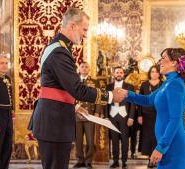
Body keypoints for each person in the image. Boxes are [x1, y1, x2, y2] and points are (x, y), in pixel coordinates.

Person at [32, 8, 125, 169]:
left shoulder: (59, 47)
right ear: (72, 25)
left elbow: (58, 87)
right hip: (54, 122)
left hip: (55, 118)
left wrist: (74, 106)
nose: (85, 34)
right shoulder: (59, 51)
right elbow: (77, 89)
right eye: (84, 29)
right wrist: (110, 96)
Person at [118, 48, 185, 169]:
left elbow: (175, 119)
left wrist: (161, 148)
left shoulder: (175, 84)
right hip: (166, 143)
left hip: (173, 144)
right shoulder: (168, 82)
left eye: (163, 58)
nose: (159, 62)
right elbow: (148, 100)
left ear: (174, 62)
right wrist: (127, 94)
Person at [104, 67, 135, 169]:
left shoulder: (129, 86)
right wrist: (106, 116)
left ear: (123, 74)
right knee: (114, 139)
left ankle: (124, 161)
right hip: (112, 115)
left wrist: (131, 117)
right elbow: (105, 103)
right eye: (117, 72)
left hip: (124, 115)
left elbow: (132, 103)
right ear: (114, 74)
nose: (119, 74)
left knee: (125, 139)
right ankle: (115, 161)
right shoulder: (108, 87)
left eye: (121, 72)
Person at [73, 62, 102, 169]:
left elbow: (99, 97)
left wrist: (98, 111)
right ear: (79, 69)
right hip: (77, 114)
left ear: (89, 69)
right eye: (82, 67)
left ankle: (88, 161)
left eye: (86, 67)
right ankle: (80, 160)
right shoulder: (74, 81)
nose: (84, 68)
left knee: (90, 139)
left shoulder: (95, 82)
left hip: (90, 114)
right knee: (78, 139)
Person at [137, 65, 162, 168]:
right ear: (149, 73)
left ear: (159, 73)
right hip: (146, 115)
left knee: (158, 137)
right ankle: (150, 160)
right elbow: (140, 100)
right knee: (148, 137)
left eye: (156, 72)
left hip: (160, 114)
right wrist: (139, 115)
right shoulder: (144, 84)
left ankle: (157, 160)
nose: (154, 74)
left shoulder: (164, 84)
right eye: (152, 72)